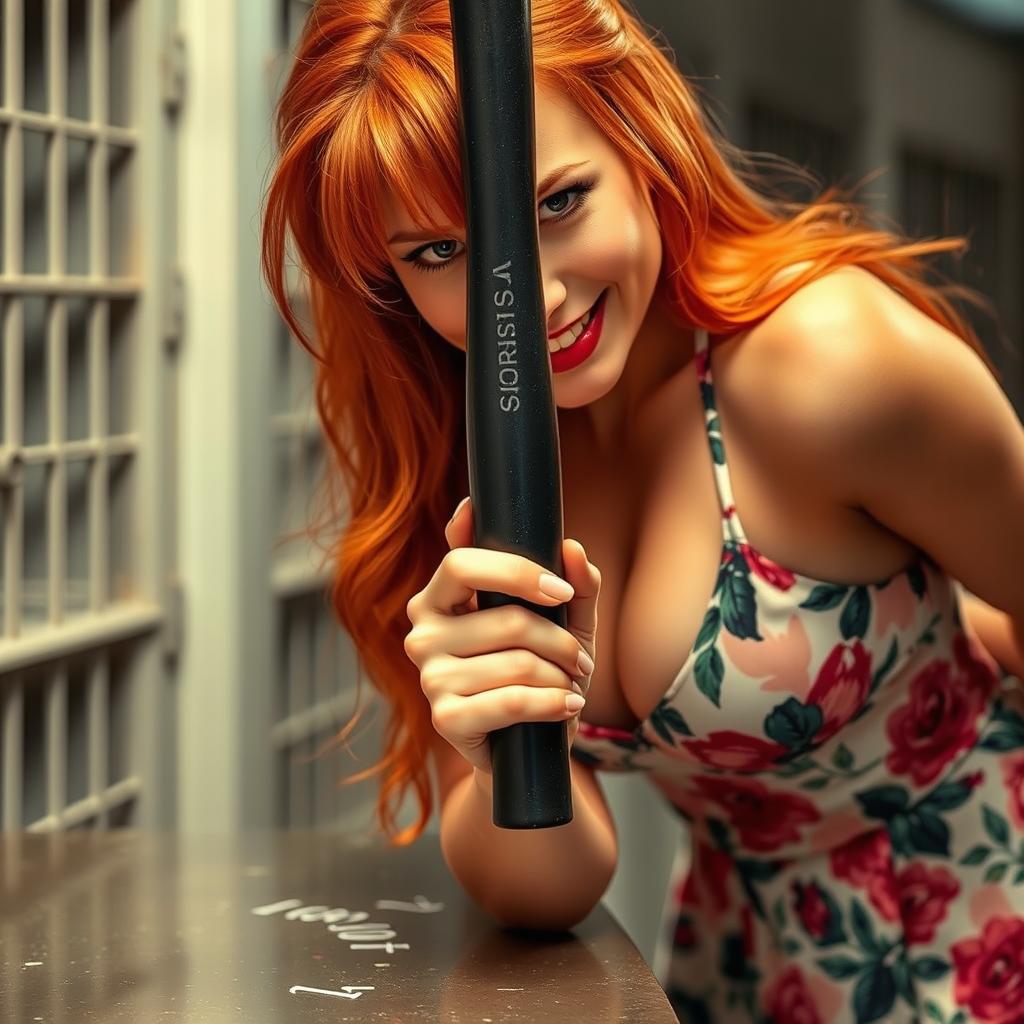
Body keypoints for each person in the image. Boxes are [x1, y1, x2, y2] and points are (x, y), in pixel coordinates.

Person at [260, 1, 1024, 1020]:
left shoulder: (827, 367)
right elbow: (552, 887)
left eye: (560, 202)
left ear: (639, 137)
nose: (525, 298)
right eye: (438, 254)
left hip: (983, 933)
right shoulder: (463, 447)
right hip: (740, 968)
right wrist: (493, 752)